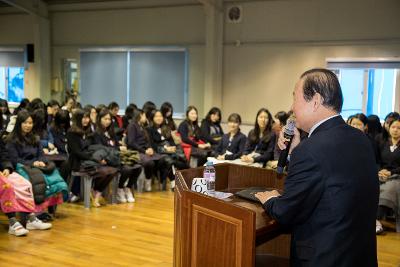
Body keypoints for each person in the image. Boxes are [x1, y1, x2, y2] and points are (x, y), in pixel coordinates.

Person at [255, 68, 379, 267]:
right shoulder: (361, 139)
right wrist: (296, 150)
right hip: (358, 255)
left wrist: (270, 200)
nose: (291, 107)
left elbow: (287, 212)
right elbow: (331, 187)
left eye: (295, 98)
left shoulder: (311, 150)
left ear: (315, 101)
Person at [92, 108, 141, 203]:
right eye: (105, 119)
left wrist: (121, 147)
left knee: (138, 167)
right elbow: (102, 149)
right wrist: (118, 149)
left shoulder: (111, 132)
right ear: (99, 119)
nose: (107, 121)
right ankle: (119, 188)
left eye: (109, 119)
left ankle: (127, 187)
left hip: (117, 157)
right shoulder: (97, 133)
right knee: (127, 169)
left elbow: (116, 145)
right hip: (108, 160)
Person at [146, 110, 188, 190]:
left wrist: (172, 147)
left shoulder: (165, 128)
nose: (159, 118)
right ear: (152, 118)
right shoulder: (149, 129)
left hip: (170, 152)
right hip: (157, 154)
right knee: (169, 160)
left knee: (182, 159)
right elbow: (152, 145)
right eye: (156, 116)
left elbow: (172, 142)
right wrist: (165, 148)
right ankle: (173, 183)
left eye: (160, 116)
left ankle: (185, 182)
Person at [375, 118, 400, 234]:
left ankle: (378, 220)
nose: (396, 130)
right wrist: (380, 170)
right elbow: (377, 160)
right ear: (388, 128)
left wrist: (391, 172)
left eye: (399, 128)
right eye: (393, 127)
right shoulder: (382, 142)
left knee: (389, 189)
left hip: (397, 175)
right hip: (381, 174)